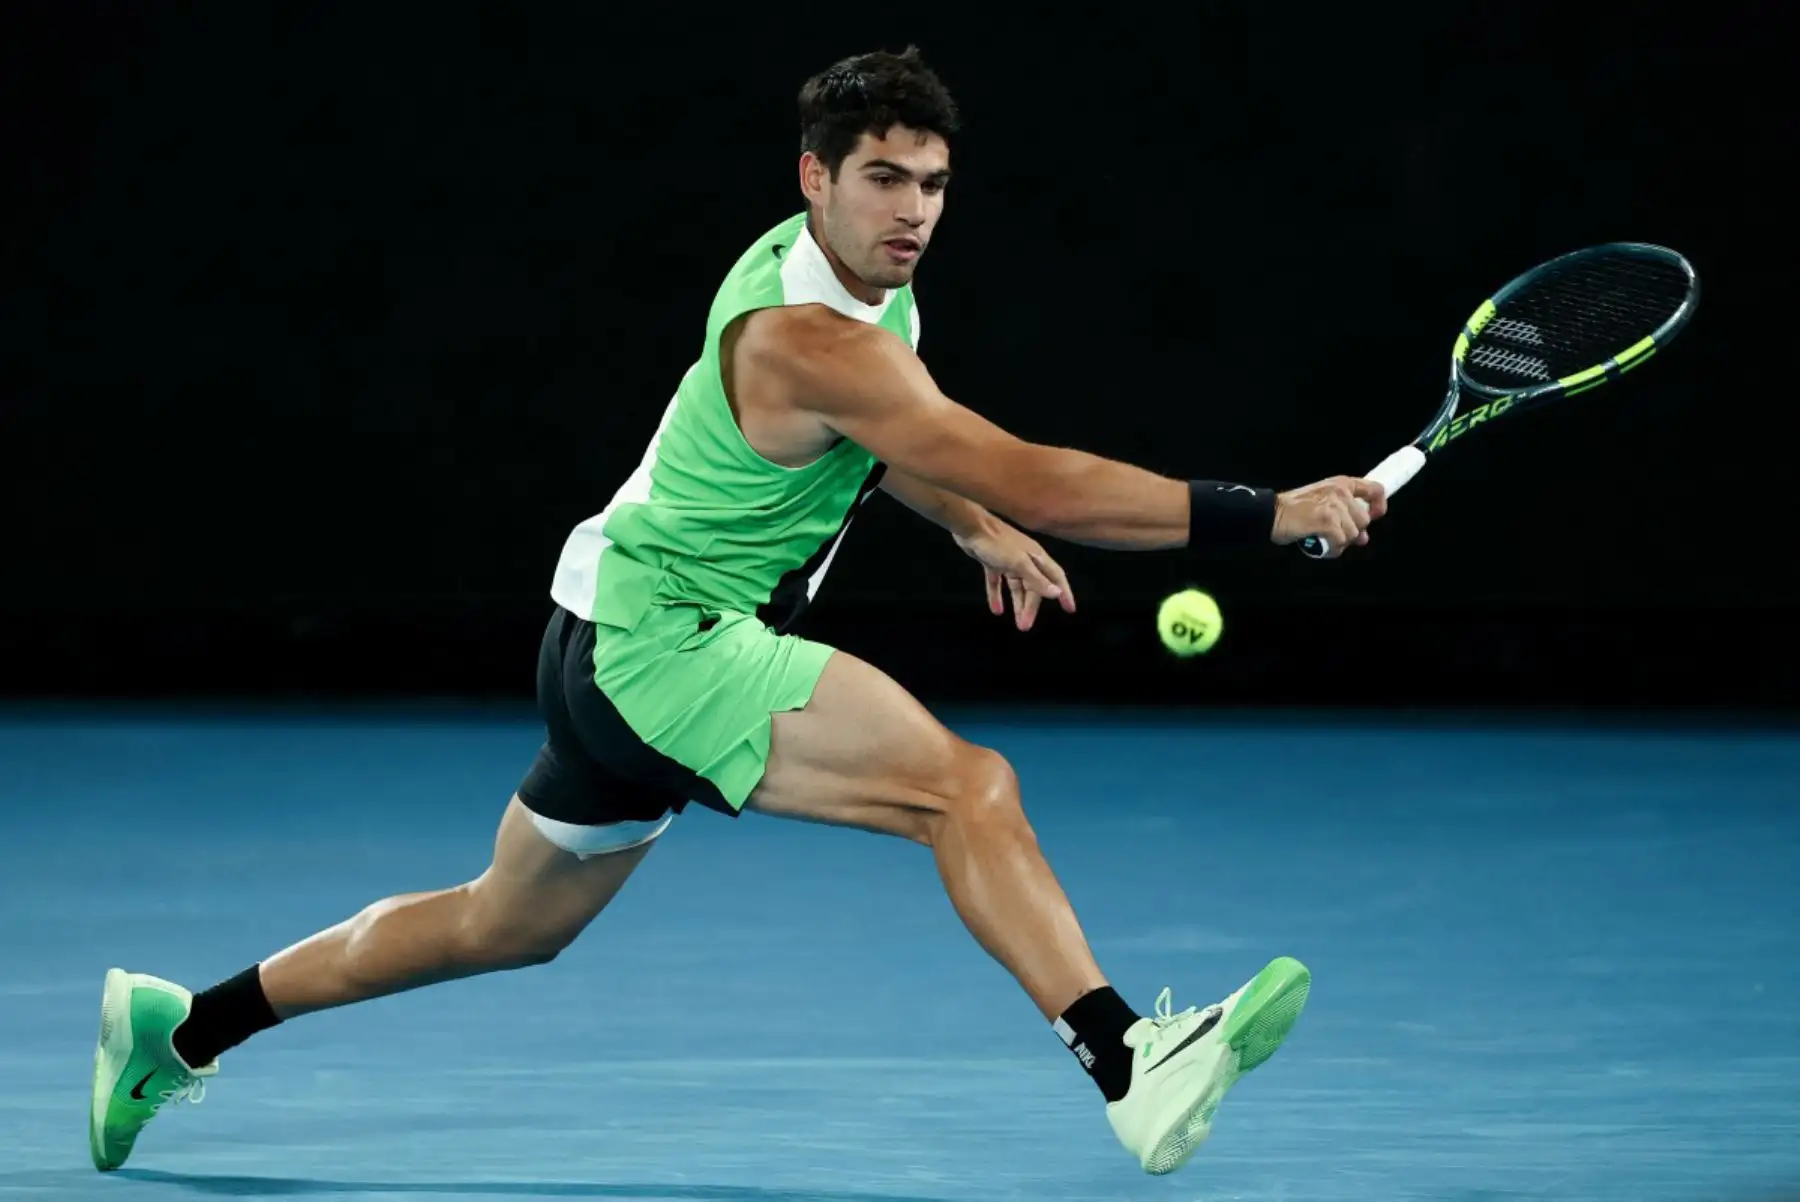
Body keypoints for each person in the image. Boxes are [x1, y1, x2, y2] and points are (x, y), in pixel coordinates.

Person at [89, 45, 1385, 1178]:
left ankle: (182, 1027)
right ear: (816, 175)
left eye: (933, 183)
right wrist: (1267, 512)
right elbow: (1015, 464)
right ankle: (1126, 1060)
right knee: (966, 789)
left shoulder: (848, 288)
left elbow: (888, 446)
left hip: (597, 634)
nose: (914, 210)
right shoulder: (810, 337)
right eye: (884, 178)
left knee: (503, 922)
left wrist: (970, 521)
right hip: (674, 644)